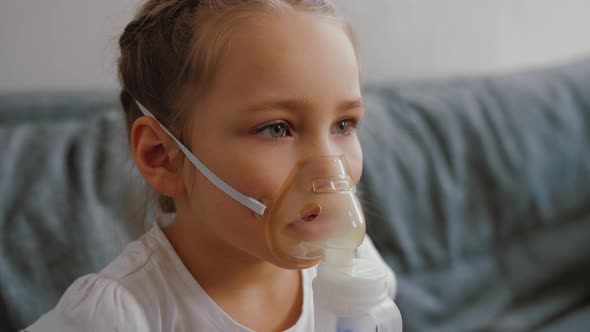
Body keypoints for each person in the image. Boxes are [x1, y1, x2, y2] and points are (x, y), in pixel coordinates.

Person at [26, 1, 396, 331]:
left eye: (344, 125)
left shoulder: (354, 260)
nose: (331, 172)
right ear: (162, 156)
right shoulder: (117, 316)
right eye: (276, 129)